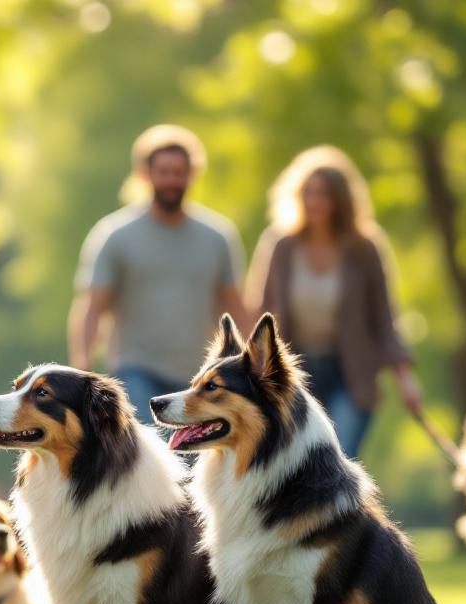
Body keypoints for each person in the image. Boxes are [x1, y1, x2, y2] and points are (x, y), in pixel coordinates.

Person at [245, 145, 423, 457]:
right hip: (293, 372)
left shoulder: (364, 249)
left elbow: (384, 318)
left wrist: (406, 380)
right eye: (308, 192)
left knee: (338, 458)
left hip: (350, 372)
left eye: (323, 194)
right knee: (295, 463)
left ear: (340, 200)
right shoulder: (281, 246)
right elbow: (260, 311)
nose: (314, 201)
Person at [69, 124, 247, 425]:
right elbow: (92, 307)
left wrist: (252, 365)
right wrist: (82, 369)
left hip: (200, 375)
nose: (172, 180)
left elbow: (235, 306)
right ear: (144, 174)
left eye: (180, 172)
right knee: (155, 451)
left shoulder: (218, 237)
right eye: (164, 171)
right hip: (136, 368)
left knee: (191, 462)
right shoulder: (115, 235)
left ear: (193, 174)